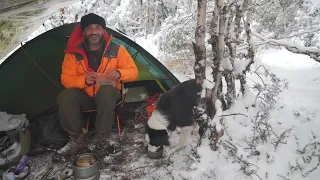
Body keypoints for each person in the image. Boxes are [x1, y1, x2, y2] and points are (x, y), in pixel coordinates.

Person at [56, 13, 138, 156]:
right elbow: (66, 79)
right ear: (84, 32)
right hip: (86, 99)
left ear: (103, 30)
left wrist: (119, 73)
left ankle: (102, 138)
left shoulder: (117, 49)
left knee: (106, 91)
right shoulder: (73, 54)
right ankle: (76, 138)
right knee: (66, 95)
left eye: (97, 27)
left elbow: (133, 71)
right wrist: (84, 79)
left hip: (110, 98)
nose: (94, 32)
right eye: (89, 28)